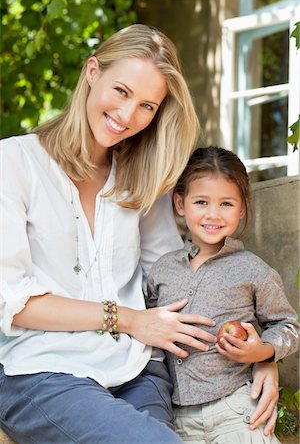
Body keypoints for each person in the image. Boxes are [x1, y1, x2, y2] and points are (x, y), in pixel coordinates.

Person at [0, 24, 279, 444]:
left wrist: (262, 356)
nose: (128, 117)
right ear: (93, 71)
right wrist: (128, 319)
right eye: (122, 91)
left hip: (137, 368)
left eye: (147, 106)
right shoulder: (14, 162)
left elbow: (177, 284)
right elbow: (14, 302)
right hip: (43, 369)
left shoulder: (140, 179)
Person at [147, 146, 299, 444]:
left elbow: (289, 326)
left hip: (237, 407)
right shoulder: (162, 270)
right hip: (176, 418)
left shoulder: (253, 269)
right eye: (201, 202)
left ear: (242, 207)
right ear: (180, 203)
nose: (213, 214)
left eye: (226, 204)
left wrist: (263, 353)